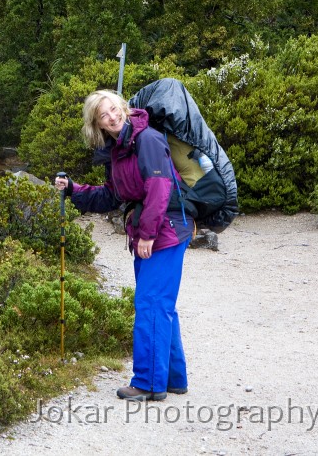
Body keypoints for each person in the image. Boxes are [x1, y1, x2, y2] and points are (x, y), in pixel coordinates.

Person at [54, 90, 195, 401]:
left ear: (124, 108)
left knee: (150, 304)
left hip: (165, 232)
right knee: (159, 305)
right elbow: (111, 196)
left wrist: (147, 234)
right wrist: (74, 190)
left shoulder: (148, 140)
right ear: (97, 124)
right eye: (104, 115)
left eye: (114, 109)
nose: (112, 116)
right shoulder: (118, 150)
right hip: (154, 230)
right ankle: (173, 377)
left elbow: (159, 187)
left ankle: (148, 383)